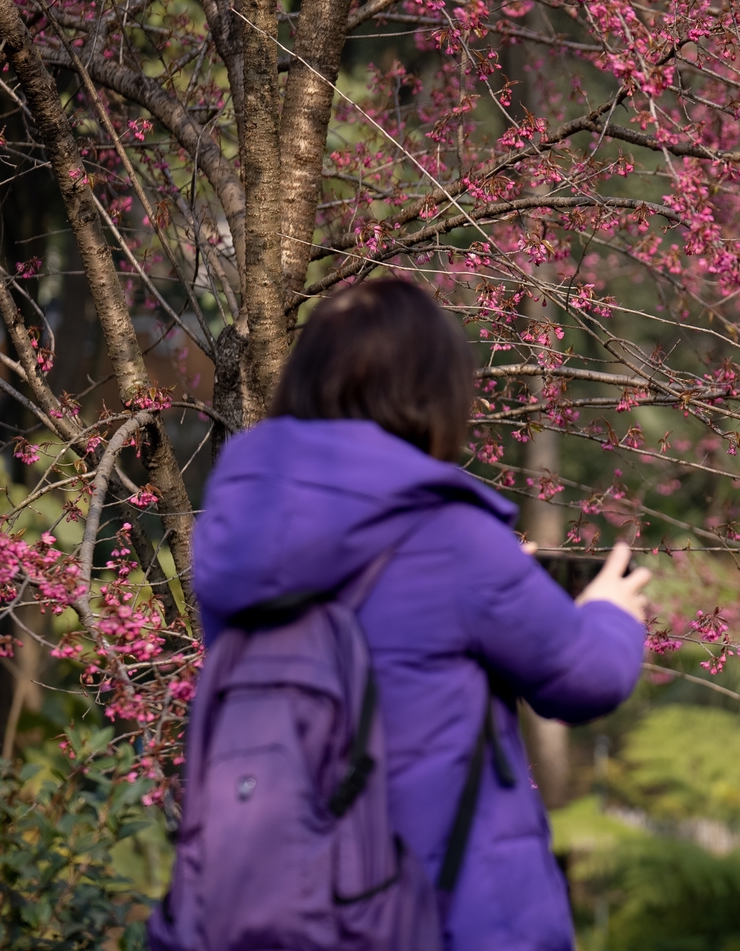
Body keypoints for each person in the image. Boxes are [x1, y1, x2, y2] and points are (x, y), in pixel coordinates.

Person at [191, 279, 649, 951]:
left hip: (282, 909)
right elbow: (584, 677)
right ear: (435, 392)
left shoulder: (235, 535)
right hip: (444, 912)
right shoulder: (452, 537)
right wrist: (611, 612)